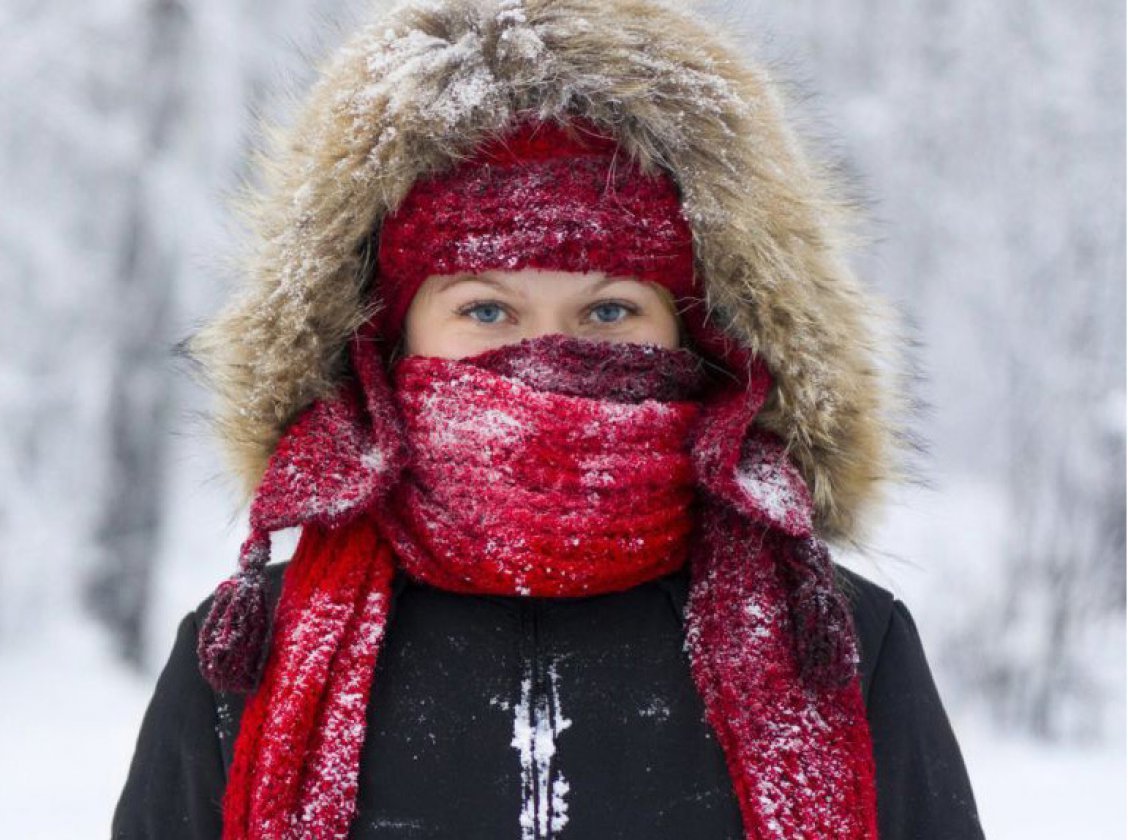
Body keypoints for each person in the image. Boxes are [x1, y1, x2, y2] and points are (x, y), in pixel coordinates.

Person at [112, 1, 986, 838]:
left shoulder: (835, 644)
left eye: (609, 312)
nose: (547, 354)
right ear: (386, 341)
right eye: (486, 311)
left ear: (698, 333)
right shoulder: (244, 662)